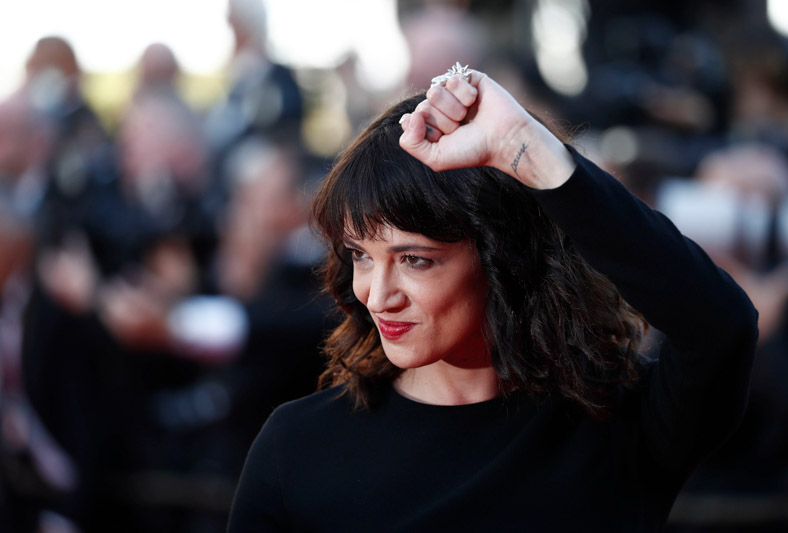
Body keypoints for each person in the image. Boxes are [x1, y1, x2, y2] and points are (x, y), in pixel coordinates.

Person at [227, 66, 758, 531]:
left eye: (415, 259)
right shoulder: (297, 449)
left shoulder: (619, 426)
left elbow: (721, 326)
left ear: (504, 259)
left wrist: (529, 149)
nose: (377, 295)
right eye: (361, 255)